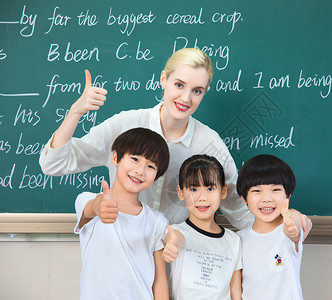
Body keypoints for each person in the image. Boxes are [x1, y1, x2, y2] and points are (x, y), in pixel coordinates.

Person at [39, 47, 312, 234]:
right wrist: (75, 112)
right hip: (123, 247)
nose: (185, 99)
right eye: (179, 85)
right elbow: (54, 164)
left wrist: (287, 221)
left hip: (178, 255)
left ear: (204, 93)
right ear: (163, 79)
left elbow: (239, 211)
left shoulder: (209, 144)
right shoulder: (126, 125)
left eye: (197, 91)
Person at [74, 127, 170, 299]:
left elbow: (160, 279)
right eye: (134, 159)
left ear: (156, 176)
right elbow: (91, 208)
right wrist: (99, 207)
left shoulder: (156, 221)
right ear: (116, 157)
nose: (140, 171)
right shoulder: (87, 200)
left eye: (150, 166)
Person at [162, 155, 242, 300]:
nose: (202, 197)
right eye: (193, 189)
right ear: (180, 192)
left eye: (210, 188)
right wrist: (171, 245)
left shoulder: (234, 241)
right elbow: (175, 239)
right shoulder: (177, 231)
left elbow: (235, 292)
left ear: (223, 191)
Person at [236, 154, 305, 300]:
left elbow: (295, 224)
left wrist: (293, 225)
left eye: (276, 190)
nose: (267, 198)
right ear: (244, 198)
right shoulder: (238, 240)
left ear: (288, 195)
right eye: (256, 191)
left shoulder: (287, 232)